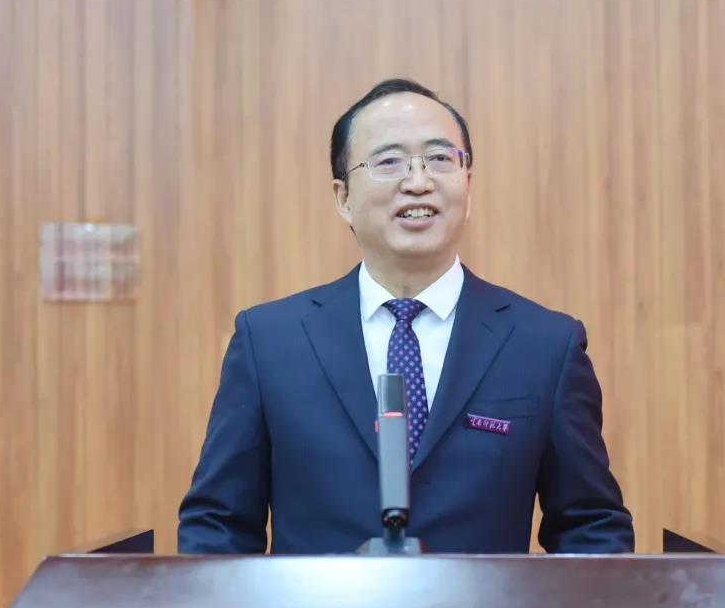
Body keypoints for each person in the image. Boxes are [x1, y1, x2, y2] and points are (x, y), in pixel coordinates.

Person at [177, 78, 633, 554]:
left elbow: (590, 528)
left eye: (440, 158)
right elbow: (218, 525)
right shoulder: (270, 341)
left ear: (468, 185)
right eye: (389, 161)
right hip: (318, 607)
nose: (418, 182)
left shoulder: (544, 345)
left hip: (484, 607)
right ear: (343, 197)